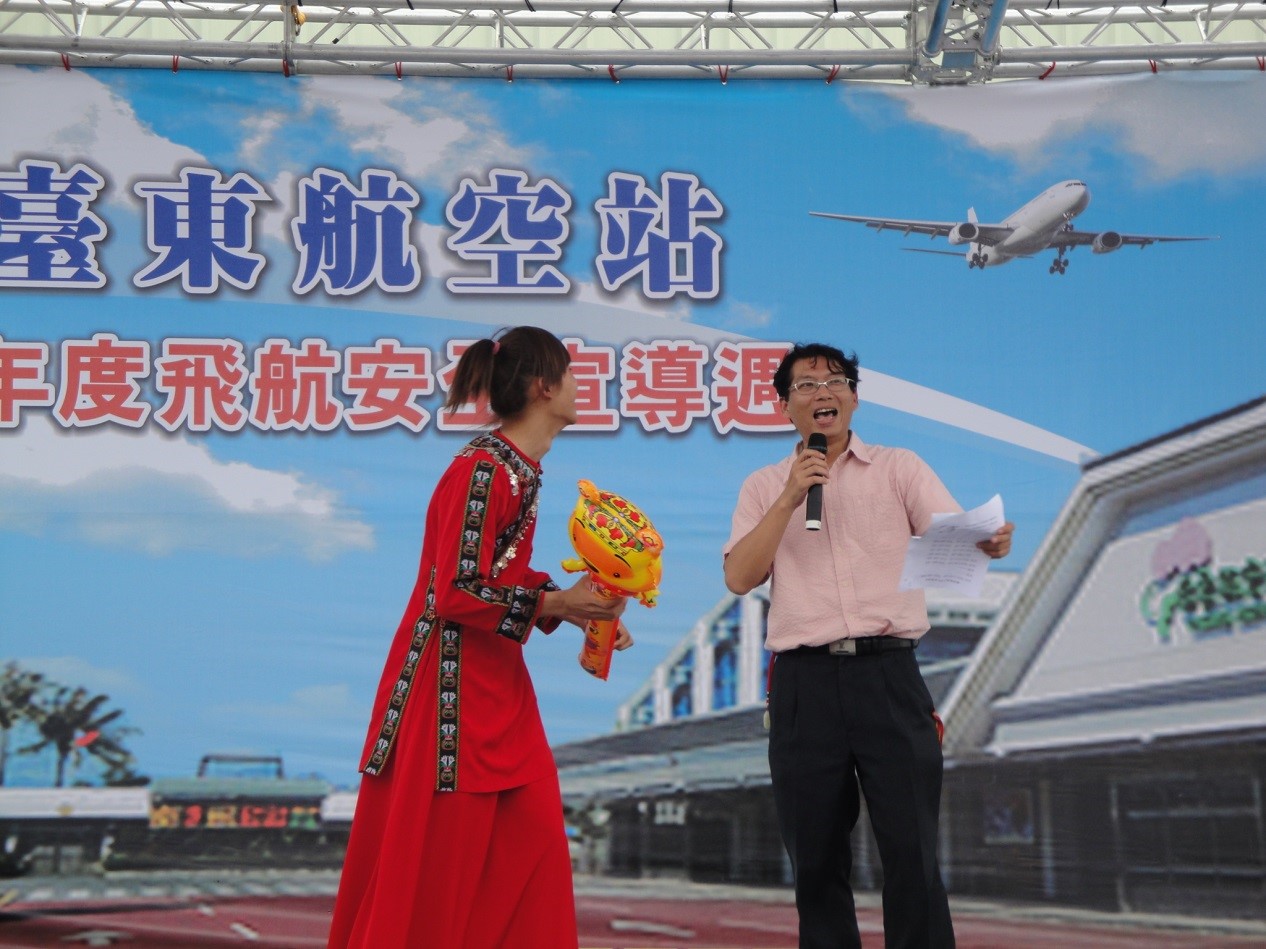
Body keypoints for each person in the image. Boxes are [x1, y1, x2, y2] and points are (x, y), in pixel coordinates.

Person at [328, 326, 631, 949]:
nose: (582, 385)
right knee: (442, 870)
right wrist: (555, 602)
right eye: (572, 374)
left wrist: (576, 609)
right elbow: (456, 590)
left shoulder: (520, 471)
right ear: (544, 387)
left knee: (534, 845)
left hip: (496, 681)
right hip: (451, 696)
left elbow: (500, 574)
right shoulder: (483, 470)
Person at [723, 343, 1013, 949]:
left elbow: (953, 535)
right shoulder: (763, 485)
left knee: (911, 848)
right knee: (815, 857)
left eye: (836, 381)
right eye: (806, 385)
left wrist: (987, 541)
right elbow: (740, 577)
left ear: (854, 398)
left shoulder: (899, 468)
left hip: (888, 675)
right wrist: (790, 496)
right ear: (784, 407)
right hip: (804, 685)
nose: (823, 392)